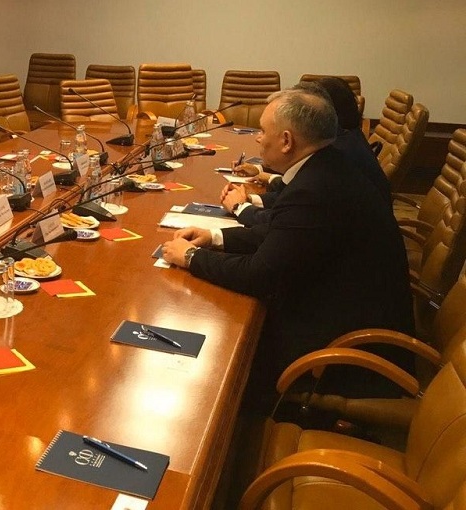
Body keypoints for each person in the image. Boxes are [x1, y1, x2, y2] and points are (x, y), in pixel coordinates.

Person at [162, 87, 413, 402]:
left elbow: (260, 275)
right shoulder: (326, 166)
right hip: (343, 310)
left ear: (286, 141)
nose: (257, 138)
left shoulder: (314, 189)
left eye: (262, 131)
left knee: (210, 359)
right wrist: (215, 237)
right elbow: (281, 233)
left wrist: (192, 257)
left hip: (341, 352)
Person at [221, 77, 388, 225]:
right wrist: (261, 183)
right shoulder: (344, 141)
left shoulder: (339, 154)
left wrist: (240, 207)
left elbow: (287, 218)